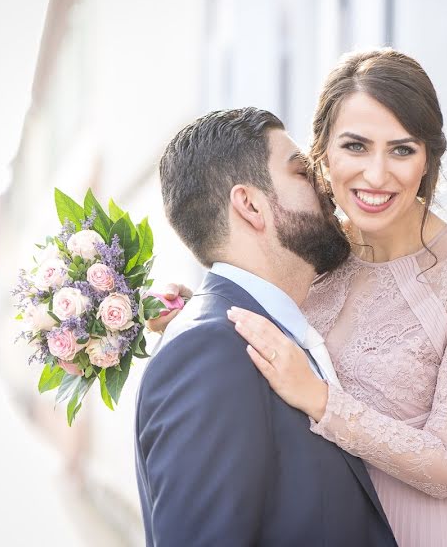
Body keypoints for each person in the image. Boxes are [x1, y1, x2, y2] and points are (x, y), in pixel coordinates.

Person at [154, 48, 447, 546]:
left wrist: (322, 401)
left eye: (402, 149)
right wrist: (183, 309)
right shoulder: (311, 252)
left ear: (429, 158)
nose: (376, 175)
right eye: (356, 146)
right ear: (321, 150)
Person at [135, 107, 396, 546]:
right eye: (301, 172)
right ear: (251, 205)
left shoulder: (271, 332)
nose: (327, 185)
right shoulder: (210, 352)